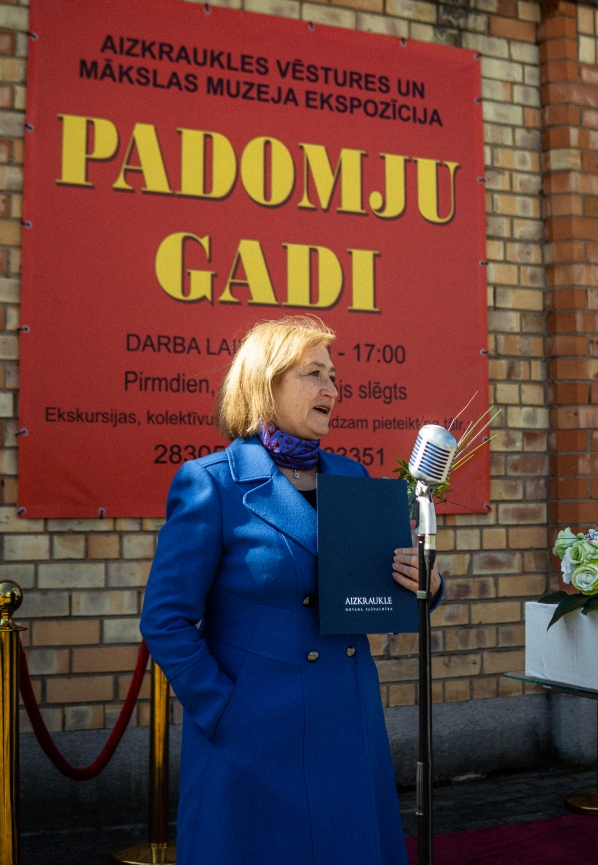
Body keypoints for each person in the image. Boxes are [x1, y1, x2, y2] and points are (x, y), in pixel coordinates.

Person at [140, 316, 442, 865]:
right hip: (254, 735)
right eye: (314, 374)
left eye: (333, 376)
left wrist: (423, 583)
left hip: (346, 724)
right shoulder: (210, 482)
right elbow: (165, 620)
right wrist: (225, 710)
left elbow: (376, 590)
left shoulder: (350, 477)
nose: (333, 389)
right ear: (266, 383)